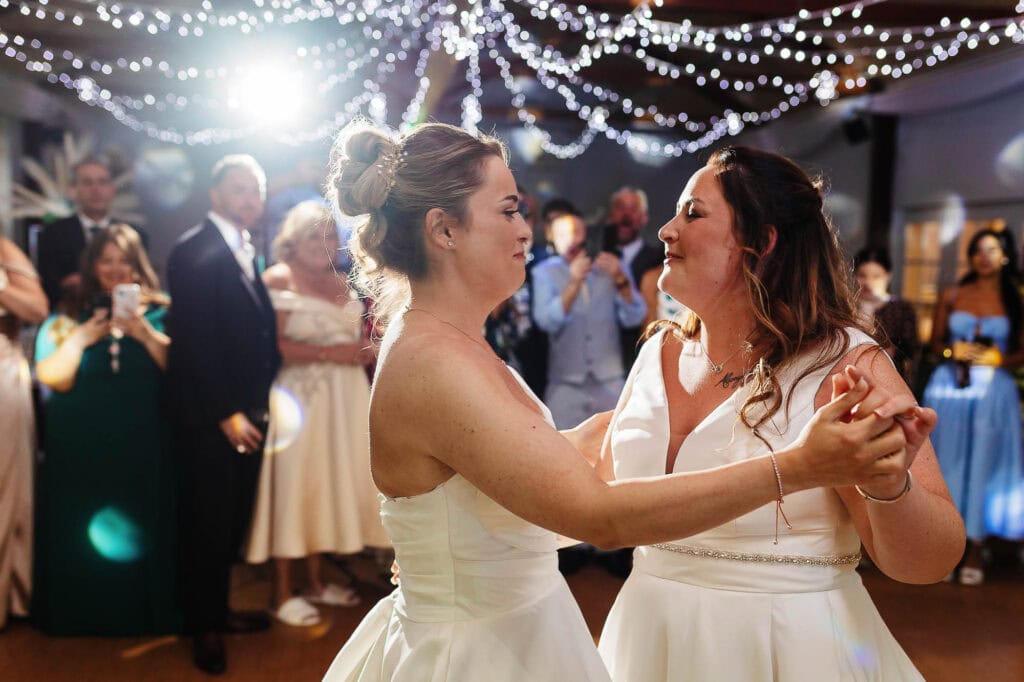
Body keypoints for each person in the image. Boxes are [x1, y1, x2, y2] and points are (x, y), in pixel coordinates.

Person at [319, 121, 920, 682]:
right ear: (444, 230)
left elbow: (513, 466)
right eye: (508, 210)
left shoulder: (453, 342)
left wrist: (465, 547)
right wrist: (798, 465)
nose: (527, 230)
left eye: (693, 212)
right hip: (481, 652)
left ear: (760, 244)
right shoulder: (434, 359)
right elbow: (597, 514)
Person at [596, 146, 965, 681]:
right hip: (648, 636)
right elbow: (599, 492)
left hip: (786, 648)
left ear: (761, 242)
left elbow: (928, 563)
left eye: (692, 213)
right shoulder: (658, 352)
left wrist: (888, 486)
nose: (666, 231)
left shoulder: (843, 365)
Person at [165, 155, 281, 674]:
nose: (250, 200)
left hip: (247, 409)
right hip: (213, 416)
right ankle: (204, 628)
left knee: (230, 519)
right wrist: (227, 411)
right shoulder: (195, 249)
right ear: (215, 195)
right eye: (239, 190)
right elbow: (194, 341)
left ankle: (219, 610)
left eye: (255, 191)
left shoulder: (244, 248)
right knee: (207, 523)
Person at [32, 224, 179, 636]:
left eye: (125, 261)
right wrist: (81, 338)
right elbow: (53, 378)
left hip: (143, 442)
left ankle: (143, 617)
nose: (116, 269)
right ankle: (79, 616)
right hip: (80, 446)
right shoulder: (67, 314)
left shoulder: (163, 310)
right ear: (93, 265)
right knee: (79, 526)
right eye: (107, 260)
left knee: (142, 522)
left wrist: (144, 333)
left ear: (138, 267)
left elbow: (183, 375)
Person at [245, 200, 385, 627]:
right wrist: (333, 353)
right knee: (294, 484)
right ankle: (280, 592)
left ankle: (315, 581)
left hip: (346, 396)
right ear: (292, 239)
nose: (323, 243)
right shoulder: (278, 277)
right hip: (299, 395)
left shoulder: (346, 280)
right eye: (313, 234)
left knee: (326, 484)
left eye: (328, 234)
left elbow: (363, 336)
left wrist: (365, 352)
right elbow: (274, 346)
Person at [922, 228, 1024, 586]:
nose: (984, 257)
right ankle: (946, 545)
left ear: (1005, 256)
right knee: (946, 463)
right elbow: (935, 344)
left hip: (992, 390)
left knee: (983, 465)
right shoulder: (953, 294)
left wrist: (1000, 358)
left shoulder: (1016, 299)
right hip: (951, 386)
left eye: (992, 250)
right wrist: (952, 351)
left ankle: (978, 546)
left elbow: (1020, 352)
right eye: (978, 251)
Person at [532, 213, 646, 429]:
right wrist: (573, 284)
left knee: (616, 445)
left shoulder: (612, 267)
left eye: (577, 232)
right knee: (561, 446)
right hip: (565, 383)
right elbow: (546, 322)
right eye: (564, 234)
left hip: (609, 380)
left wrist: (620, 279)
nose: (572, 239)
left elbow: (634, 318)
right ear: (553, 239)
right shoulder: (544, 272)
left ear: (587, 234)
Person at [0, 237, 48, 630]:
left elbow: (36, 308)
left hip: (1, 369)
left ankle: (9, 594)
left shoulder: (3, 250)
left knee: (5, 486)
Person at [36, 159, 119, 311]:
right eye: (87, 183)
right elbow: (46, 284)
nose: (96, 189)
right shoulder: (53, 234)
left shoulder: (132, 235)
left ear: (112, 189)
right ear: (73, 190)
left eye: (102, 182)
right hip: (69, 317)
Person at [606, 187, 663, 370]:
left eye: (633, 209)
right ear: (610, 215)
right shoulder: (596, 261)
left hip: (643, 360)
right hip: (604, 366)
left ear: (644, 218)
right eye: (620, 207)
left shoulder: (659, 260)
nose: (626, 214)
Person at [854, 246, 920, 383]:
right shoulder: (845, 307)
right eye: (862, 275)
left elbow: (911, 350)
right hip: (850, 375)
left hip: (888, 378)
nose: (868, 282)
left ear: (888, 276)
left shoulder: (900, 309)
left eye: (876, 276)